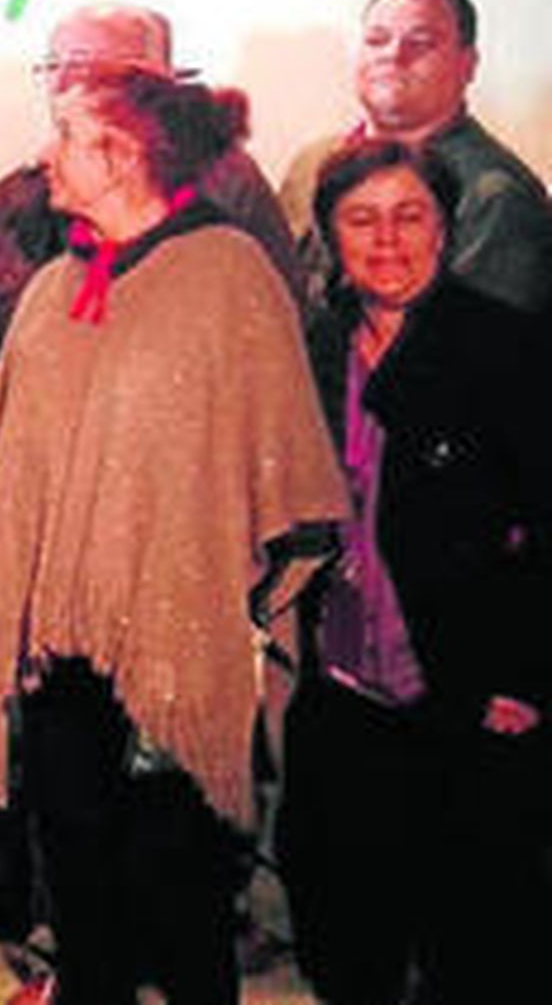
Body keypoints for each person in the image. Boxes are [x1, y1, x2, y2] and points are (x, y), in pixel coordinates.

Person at [0, 68, 346, 1005]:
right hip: (57, 663)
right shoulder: (51, 288)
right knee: (83, 906)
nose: (45, 155)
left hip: (179, 650)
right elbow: (7, 481)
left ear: (121, 156)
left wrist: (229, 603)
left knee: (184, 908)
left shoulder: (229, 276)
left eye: (66, 135)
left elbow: (277, 471)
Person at [277, 139, 550, 1005]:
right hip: (342, 686)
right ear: (330, 235)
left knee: (472, 937)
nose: (387, 240)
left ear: (447, 227)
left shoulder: (507, 347)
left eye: (411, 216)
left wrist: (526, 673)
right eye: (362, 219)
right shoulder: (312, 350)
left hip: (468, 691)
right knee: (343, 925)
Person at [0, 2, 300, 481]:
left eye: (89, 64)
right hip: (44, 476)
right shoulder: (5, 211)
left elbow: (280, 366)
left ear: (157, 79)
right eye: (55, 65)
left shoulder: (227, 196)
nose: (65, 80)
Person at [278, 0, 552, 313]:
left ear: (468, 65)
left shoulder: (496, 199)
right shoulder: (313, 163)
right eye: (377, 40)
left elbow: (476, 351)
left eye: (420, 42)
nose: (394, 55)